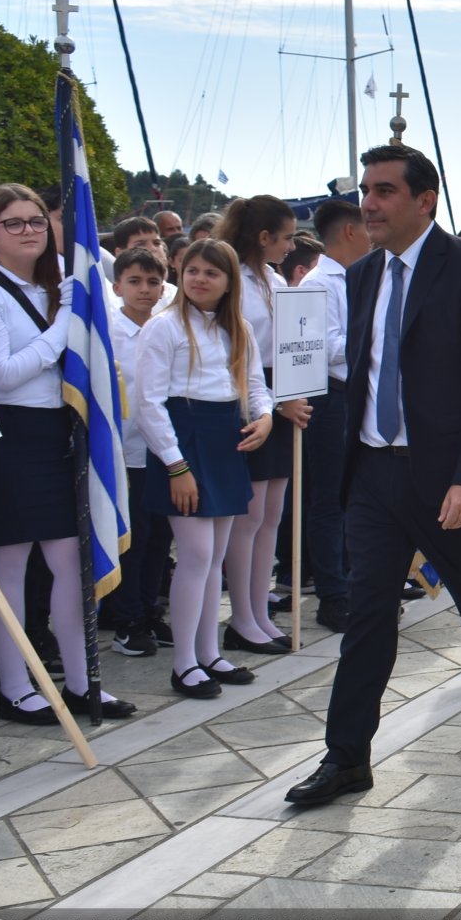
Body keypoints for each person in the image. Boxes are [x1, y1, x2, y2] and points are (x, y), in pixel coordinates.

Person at [285, 143, 461, 808]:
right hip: (373, 472)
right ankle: (346, 757)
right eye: (367, 190)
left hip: (443, 476)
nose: (368, 203)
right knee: (368, 615)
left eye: (384, 191)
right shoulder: (361, 275)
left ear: (424, 199)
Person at [0, 183, 135, 723]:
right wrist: (65, 325)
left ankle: (83, 682)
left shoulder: (62, 285)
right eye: (13, 223)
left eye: (36, 220)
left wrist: (70, 309)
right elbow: (4, 374)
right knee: (7, 566)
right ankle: (15, 690)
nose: (29, 230)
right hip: (5, 437)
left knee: (71, 563)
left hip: (60, 433)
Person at [135, 238, 274, 698]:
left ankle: (209, 651)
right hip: (184, 442)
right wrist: (176, 466)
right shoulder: (164, 327)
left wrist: (266, 416)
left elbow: (254, 383)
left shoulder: (239, 329)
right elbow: (149, 403)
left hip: (226, 438)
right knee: (194, 555)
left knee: (215, 557)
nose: (199, 279)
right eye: (192, 269)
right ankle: (184, 664)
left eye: (211, 273)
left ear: (229, 281)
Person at [218, 196, 310, 656]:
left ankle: (258, 609)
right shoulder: (231, 276)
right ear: (263, 237)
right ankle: (241, 617)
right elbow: (231, 350)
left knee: (272, 514)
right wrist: (273, 403)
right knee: (249, 516)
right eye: (287, 236)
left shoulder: (273, 279)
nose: (292, 246)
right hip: (246, 397)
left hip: (279, 393)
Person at [299, 198, 368, 630]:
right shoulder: (317, 284)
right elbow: (324, 349)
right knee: (328, 499)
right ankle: (333, 593)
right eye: (367, 225)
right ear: (349, 230)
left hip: (358, 393)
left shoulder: (357, 277)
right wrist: (378, 339)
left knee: (356, 496)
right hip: (329, 396)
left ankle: (354, 582)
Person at [108, 247, 177, 659]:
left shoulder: (167, 326)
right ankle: (126, 619)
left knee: (159, 538)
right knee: (134, 539)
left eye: (154, 282)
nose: (145, 290)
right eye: (134, 281)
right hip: (125, 450)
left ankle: (150, 609)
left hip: (162, 450)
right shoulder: (108, 333)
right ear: (117, 286)